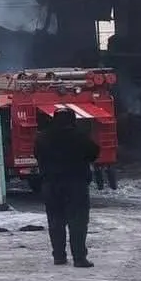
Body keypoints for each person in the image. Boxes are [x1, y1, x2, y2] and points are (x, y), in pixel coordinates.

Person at [35, 108, 101, 268]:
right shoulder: (79, 136)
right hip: (76, 183)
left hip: (51, 184)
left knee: (56, 220)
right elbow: (94, 153)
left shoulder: (42, 137)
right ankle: (79, 258)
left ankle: (58, 255)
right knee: (77, 221)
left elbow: (37, 155)